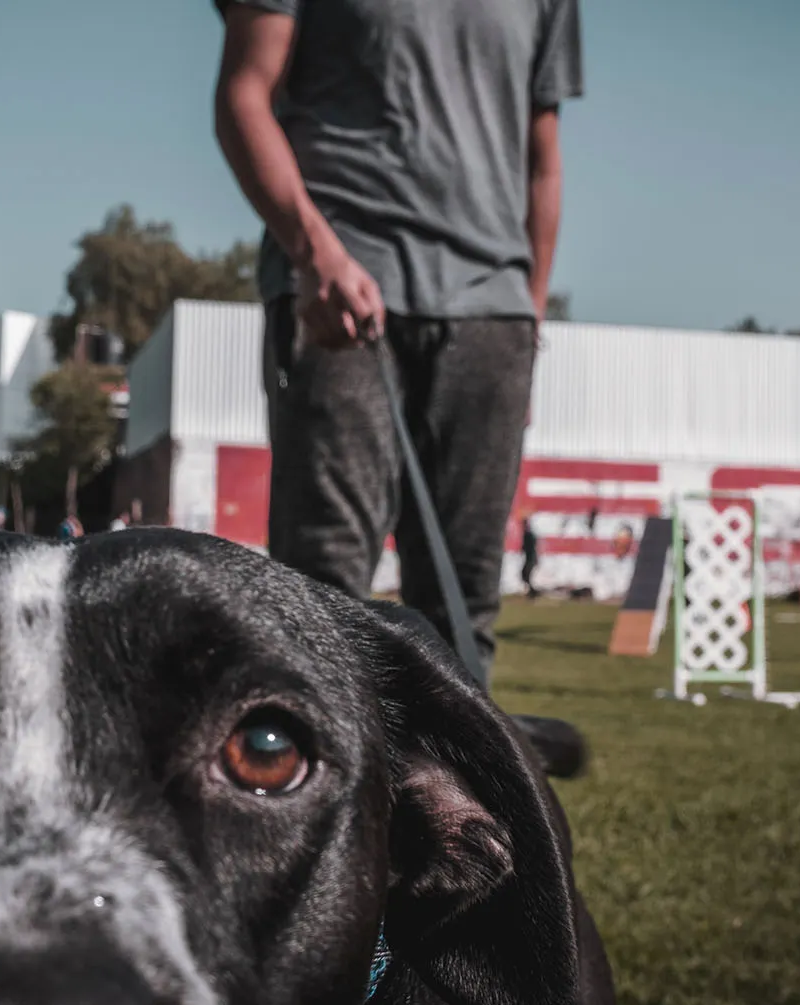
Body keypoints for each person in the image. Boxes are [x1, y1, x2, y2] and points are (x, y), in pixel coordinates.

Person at [214, 0, 581, 675]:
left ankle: (455, 752)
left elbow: (544, 158)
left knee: (463, 606)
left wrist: (527, 319)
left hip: (491, 311)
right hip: (340, 288)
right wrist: (314, 252)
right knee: (321, 593)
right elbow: (243, 92)